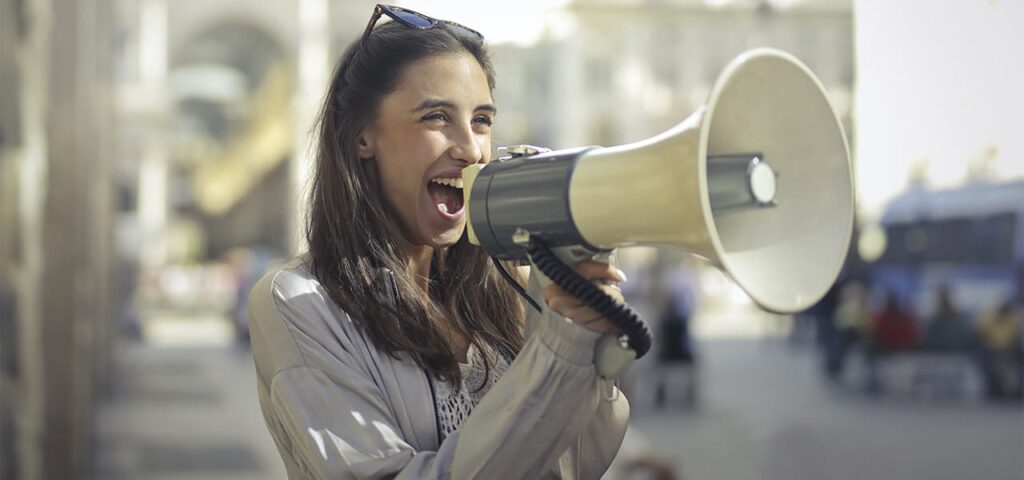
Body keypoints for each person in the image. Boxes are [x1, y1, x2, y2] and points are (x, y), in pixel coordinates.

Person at [246, 5, 629, 479]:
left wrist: (587, 344)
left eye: (482, 121)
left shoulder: (511, 284)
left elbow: (575, 464)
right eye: (436, 117)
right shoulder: (300, 302)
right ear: (362, 137)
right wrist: (557, 351)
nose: (471, 149)